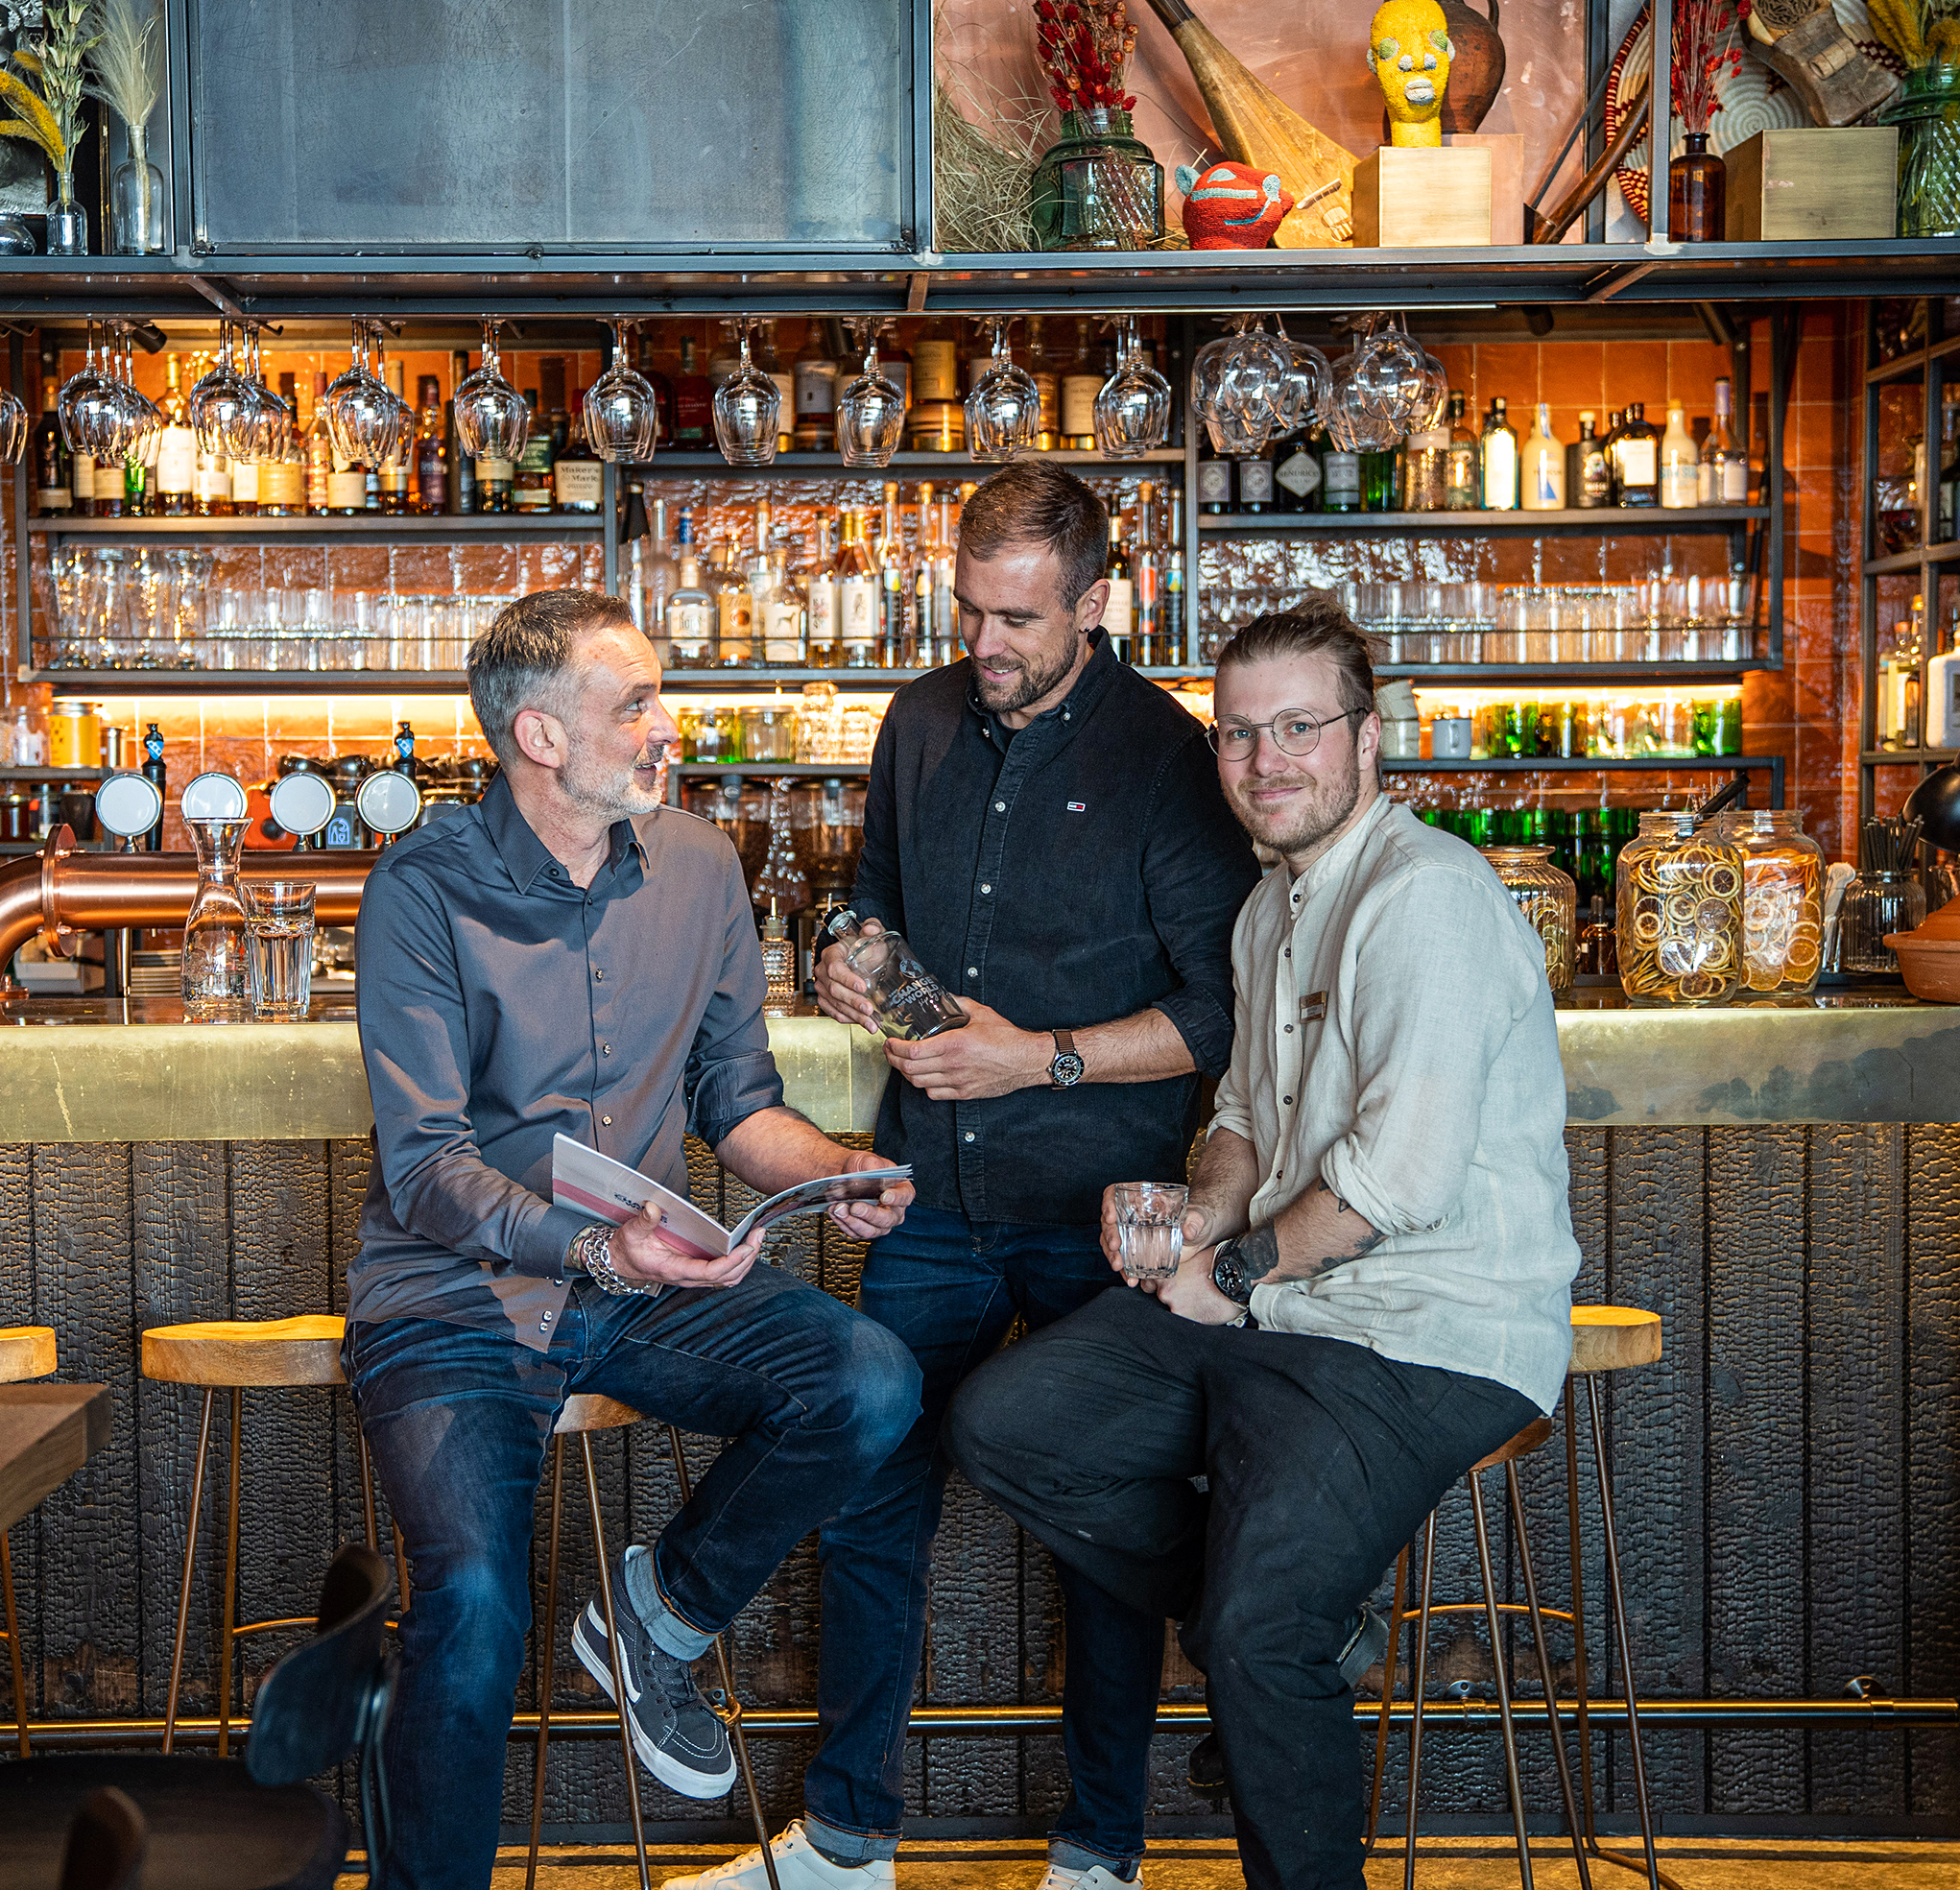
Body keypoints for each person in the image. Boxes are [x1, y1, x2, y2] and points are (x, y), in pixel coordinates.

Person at [673, 462, 1258, 1890]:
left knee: (1100, 1535)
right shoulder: (921, 718)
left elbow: (1219, 1008)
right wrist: (854, 954)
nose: (984, 643)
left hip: (1093, 1211)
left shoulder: (1171, 759)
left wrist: (1040, 1059)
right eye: (968, 608)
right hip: (925, 1190)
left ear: (1096, 601)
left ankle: (1098, 1849)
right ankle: (848, 1840)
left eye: (1016, 618)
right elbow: (871, 895)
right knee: (872, 1504)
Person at [945, 601, 1582, 1890]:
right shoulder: (1267, 909)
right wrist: (1205, 1212)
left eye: (1299, 726)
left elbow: (1394, 1181)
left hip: (1424, 1332)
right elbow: (1238, 1115)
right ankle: (1300, 1627)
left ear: (1366, 734)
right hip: (1287, 1308)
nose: (1264, 761)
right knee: (1005, 1422)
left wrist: (1228, 1273)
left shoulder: (1426, 899)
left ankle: (1276, 1636)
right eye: (1239, 733)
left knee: (1254, 1629)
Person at [345, 587, 920, 1890]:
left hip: (642, 1283)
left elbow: (739, 1104)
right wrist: (600, 1251)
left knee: (870, 1380)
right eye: (637, 703)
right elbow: (426, 1168)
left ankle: (658, 1613)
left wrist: (836, 1172)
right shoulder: (420, 889)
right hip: (454, 1297)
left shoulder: (705, 867)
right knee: (476, 1610)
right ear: (539, 737)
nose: (670, 724)